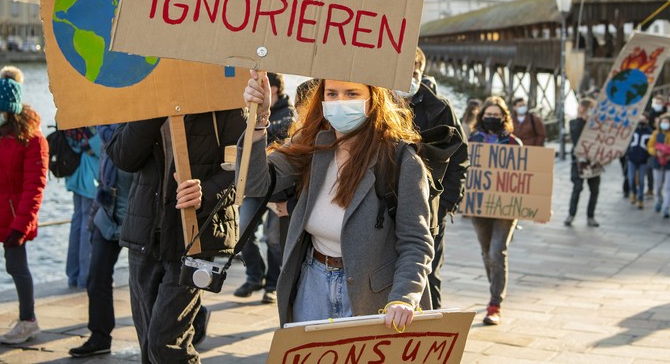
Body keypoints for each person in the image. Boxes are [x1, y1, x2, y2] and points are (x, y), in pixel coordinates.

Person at [240, 74, 434, 330]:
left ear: (373, 99)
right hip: (312, 281)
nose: (340, 102)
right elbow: (255, 184)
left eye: (351, 94)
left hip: (372, 294)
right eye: (332, 94)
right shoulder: (311, 144)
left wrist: (404, 298)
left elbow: (416, 242)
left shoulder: (401, 162)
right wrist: (258, 119)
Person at [106, 109, 245, 362]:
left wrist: (207, 194)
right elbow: (123, 157)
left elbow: (242, 171)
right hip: (145, 236)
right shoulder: (143, 93)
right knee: (149, 346)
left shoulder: (224, 100)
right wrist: (153, 108)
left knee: (166, 344)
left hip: (196, 237)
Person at [0, 71, 48, 344]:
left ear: (11, 112)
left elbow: (34, 188)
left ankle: (28, 321)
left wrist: (21, 226)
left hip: (13, 210)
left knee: (16, 267)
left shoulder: (32, 141)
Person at [395, 52, 468, 310]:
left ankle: (429, 329)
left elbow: (459, 156)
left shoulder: (440, 108)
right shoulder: (379, 104)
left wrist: (445, 202)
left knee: (428, 275)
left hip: (430, 210)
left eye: (414, 72)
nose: (409, 79)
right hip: (387, 210)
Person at [69, 123, 132, 357]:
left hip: (139, 213)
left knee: (150, 281)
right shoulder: (106, 129)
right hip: (108, 211)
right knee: (96, 277)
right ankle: (100, 336)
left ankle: (190, 318)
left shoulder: (143, 125)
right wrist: (95, 212)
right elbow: (103, 176)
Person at [234, 72, 294, 305]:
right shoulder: (249, 108)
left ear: (274, 88)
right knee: (243, 234)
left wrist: (260, 121)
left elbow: (276, 135)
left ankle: (272, 285)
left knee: (274, 241)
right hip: (257, 188)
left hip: (279, 190)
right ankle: (254, 276)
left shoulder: (288, 114)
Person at [466, 96, 522, 325]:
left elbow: (524, 177)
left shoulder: (512, 143)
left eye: (496, 116)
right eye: (488, 115)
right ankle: (494, 290)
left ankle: (495, 303)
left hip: (505, 209)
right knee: (487, 253)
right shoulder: (473, 141)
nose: (491, 119)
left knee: (498, 252)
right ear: (481, 117)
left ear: (503, 118)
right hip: (479, 207)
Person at [64, 127, 100, 289]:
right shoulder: (90, 117)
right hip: (90, 176)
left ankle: (73, 275)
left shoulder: (70, 114)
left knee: (77, 222)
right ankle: (85, 278)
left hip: (74, 173)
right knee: (88, 225)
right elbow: (101, 147)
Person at [565, 98, 602, 226]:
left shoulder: (596, 125)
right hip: (578, 161)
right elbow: (576, 137)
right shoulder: (574, 123)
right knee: (577, 187)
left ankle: (590, 216)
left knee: (594, 190)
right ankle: (571, 214)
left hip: (593, 160)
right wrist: (582, 119)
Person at [647, 113, 670, 219]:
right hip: (657, 162)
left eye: (667, 122)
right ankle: (659, 200)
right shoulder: (655, 134)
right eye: (663, 122)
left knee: (668, 187)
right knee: (658, 186)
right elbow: (650, 146)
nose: (665, 124)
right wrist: (655, 152)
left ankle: (666, 208)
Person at [626, 114, 652, 210]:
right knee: (631, 179)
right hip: (632, 158)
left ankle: (640, 199)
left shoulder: (649, 132)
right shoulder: (632, 130)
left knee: (641, 180)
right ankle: (634, 192)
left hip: (643, 160)